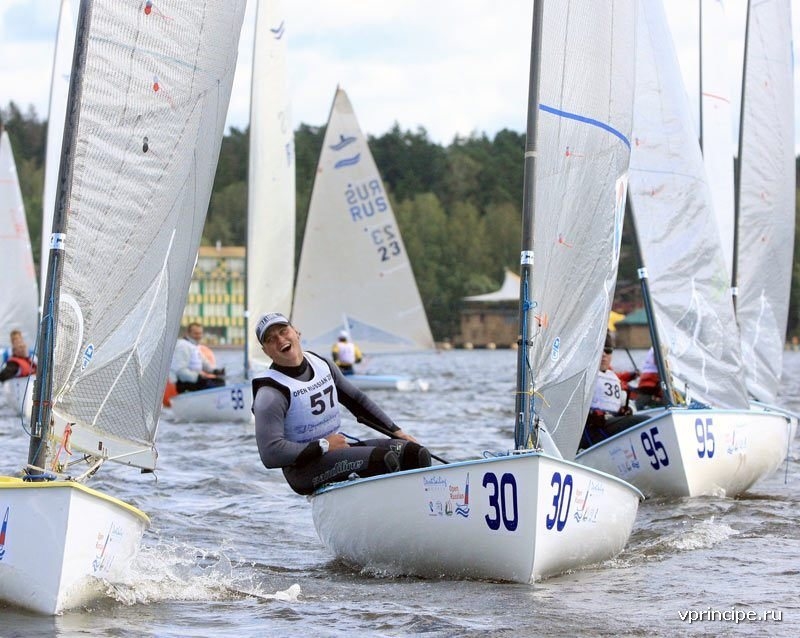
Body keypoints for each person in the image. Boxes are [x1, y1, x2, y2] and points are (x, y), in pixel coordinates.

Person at [252, 312, 431, 495]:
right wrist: (323, 445)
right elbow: (270, 453)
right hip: (303, 469)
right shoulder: (270, 394)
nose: (280, 339)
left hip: (336, 450)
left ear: (296, 332)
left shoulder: (322, 364)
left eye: (283, 331)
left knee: (415, 453)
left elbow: (358, 401)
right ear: (266, 351)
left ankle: (423, 505)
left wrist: (398, 432)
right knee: (383, 460)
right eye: (270, 339)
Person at [579, 337, 648, 451]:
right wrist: (589, 416)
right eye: (600, 349)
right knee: (645, 421)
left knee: (645, 421)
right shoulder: (582, 377)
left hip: (608, 425)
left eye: (608, 350)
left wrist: (628, 410)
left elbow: (628, 403)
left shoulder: (613, 378)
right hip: (589, 431)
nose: (604, 354)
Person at [169, 322, 225, 393]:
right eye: (196, 333)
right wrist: (198, 377)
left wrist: (215, 371)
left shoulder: (194, 346)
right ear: (188, 333)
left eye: (200, 333)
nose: (199, 336)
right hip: (184, 383)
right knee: (218, 384)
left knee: (219, 381)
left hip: (194, 381)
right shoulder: (183, 346)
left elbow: (204, 363)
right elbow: (180, 371)